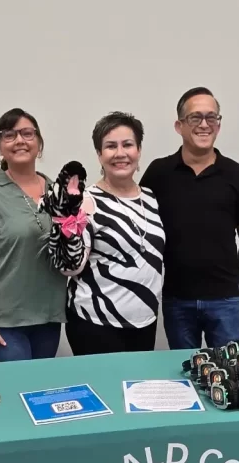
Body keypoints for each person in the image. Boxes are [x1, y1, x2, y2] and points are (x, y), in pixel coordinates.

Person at [139, 87, 239, 350]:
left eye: (212, 117)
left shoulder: (237, 175)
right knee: (185, 374)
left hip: (226, 300)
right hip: (177, 299)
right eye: (195, 117)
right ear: (179, 125)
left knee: (229, 376)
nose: (204, 124)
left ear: (218, 124)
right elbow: (140, 227)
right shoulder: (159, 173)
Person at [0, 108, 66, 362]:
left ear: (39, 143)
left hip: (47, 316)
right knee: (13, 393)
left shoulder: (57, 190)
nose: (20, 140)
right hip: (0, 319)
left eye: (27, 133)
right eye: (9, 135)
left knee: (39, 393)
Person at [63, 112, 164, 355]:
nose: (120, 153)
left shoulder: (150, 198)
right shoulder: (85, 201)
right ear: (99, 154)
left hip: (144, 322)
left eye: (127, 145)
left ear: (138, 150)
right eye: (110, 146)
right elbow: (70, 266)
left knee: (136, 392)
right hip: (95, 323)